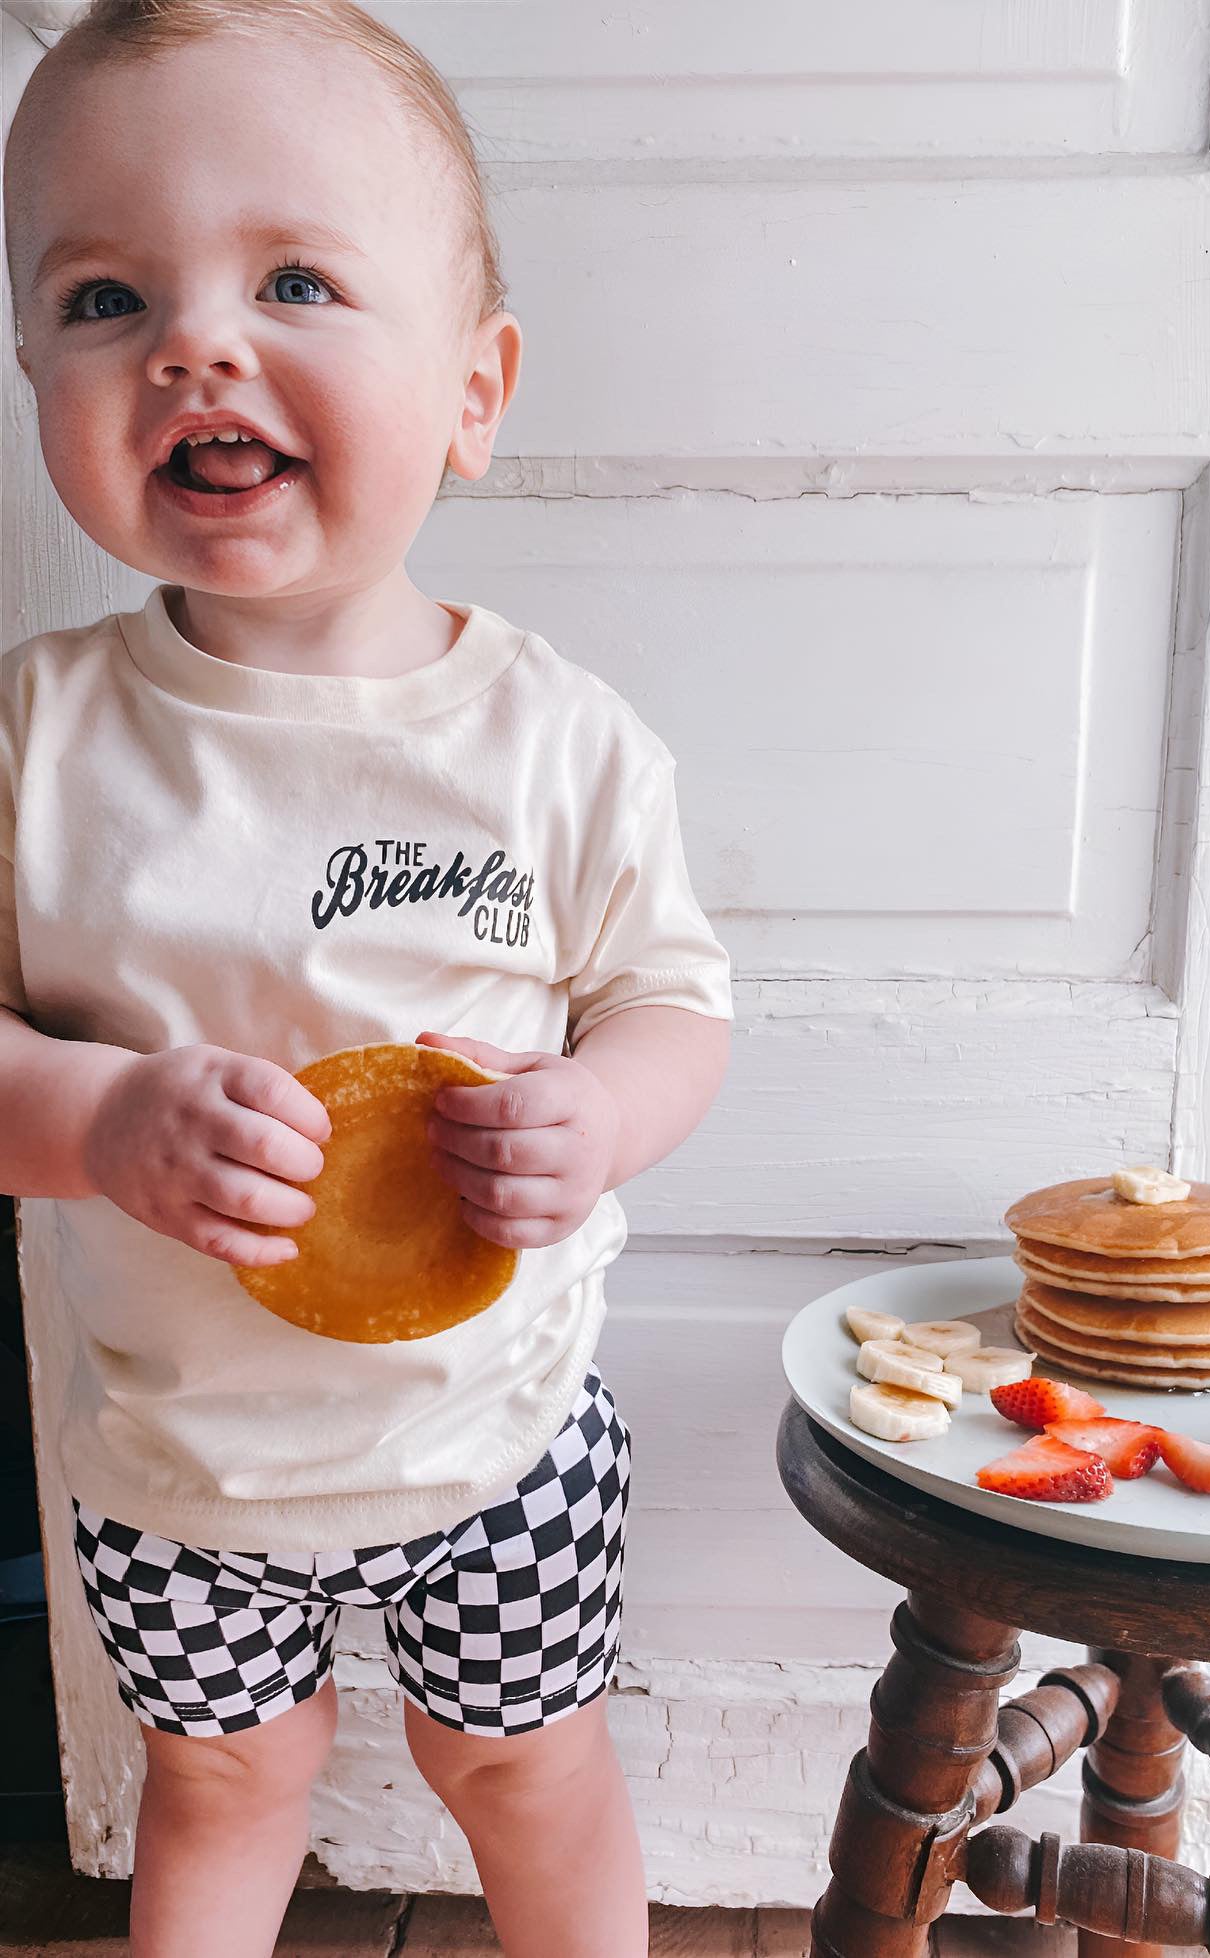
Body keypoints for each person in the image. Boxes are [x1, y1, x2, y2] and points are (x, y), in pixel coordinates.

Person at [0, 3, 733, 1952]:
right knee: (223, 1785)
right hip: (179, 1468)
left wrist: (598, 1114)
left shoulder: (559, 745)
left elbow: (673, 1005)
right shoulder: (39, 743)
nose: (193, 345)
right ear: (33, 369)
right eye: (102, 298)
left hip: (498, 1435)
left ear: (475, 390)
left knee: (528, 1768)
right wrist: (96, 1115)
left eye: (296, 280)